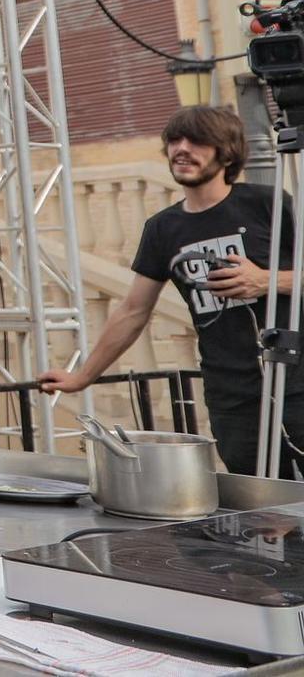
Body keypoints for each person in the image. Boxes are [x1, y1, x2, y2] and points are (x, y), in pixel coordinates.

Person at [39, 104, 301, 476]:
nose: (182, 148)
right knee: (260, 508)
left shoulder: (267, 204)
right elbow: (133, 310)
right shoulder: (163, 228)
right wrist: (83, 376)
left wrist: (266, 281)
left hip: (298, 382)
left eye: (197, 141)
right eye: (174, 140)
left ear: (225, 151)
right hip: (233, 396)